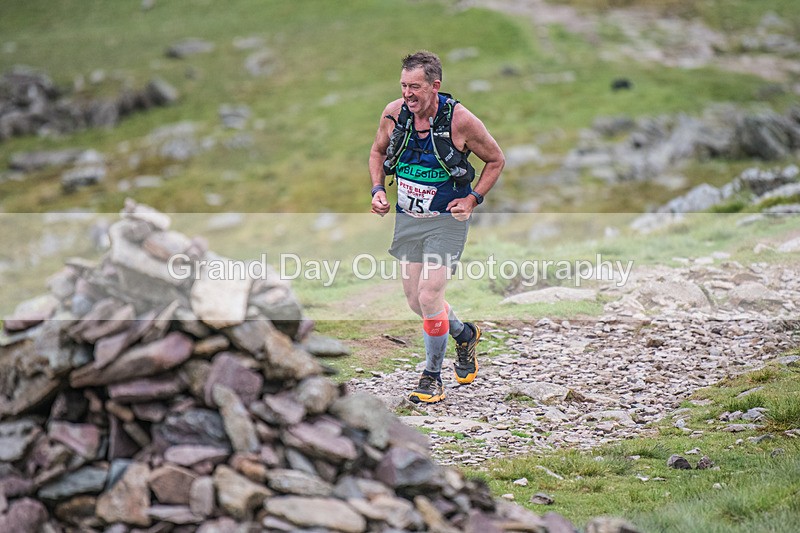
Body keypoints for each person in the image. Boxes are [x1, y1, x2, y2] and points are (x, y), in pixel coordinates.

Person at [368, 50, 504, 403]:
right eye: (403, 86)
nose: (407, 94)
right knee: (417, 301)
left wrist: (472, 199)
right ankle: (464, 334)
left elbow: (495, 159)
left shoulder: (461, 121)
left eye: (415, 87)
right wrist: (378, 189)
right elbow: (377, 153)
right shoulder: (393, 113)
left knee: (430, 294)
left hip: (447, 221)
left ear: (435, 86)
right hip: (408, 219)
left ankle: (432, 378)